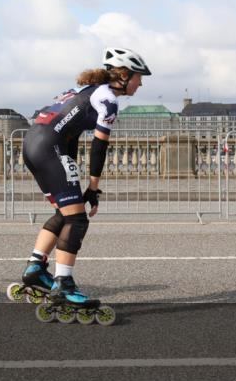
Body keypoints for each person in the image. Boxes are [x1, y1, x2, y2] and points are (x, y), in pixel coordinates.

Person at [18, 47, 150, 308]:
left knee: (65, 212)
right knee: (77, 220)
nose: (141, 83)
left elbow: (71, 133)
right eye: (139, 77)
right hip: (48, 147)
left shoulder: (85, 91)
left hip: (33, 143)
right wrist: (93, 186)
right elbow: (99, 146)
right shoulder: (108, 99)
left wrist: (73, 177)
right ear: (124, 76)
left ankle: (35, 267)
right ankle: (63, 285)